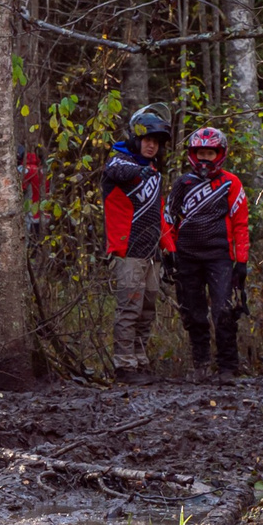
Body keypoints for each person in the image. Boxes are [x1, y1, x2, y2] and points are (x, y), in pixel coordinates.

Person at [161, 125, 250, 377]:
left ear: (219, 154)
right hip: (186, 257)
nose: (204, 159)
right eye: (200, 153)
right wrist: (169, 252)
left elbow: (241, 223)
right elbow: (167, 219)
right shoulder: (182, 183)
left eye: (210, 154)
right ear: (192, 154)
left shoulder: (231, 183)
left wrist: (241, 261)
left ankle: (228, 366)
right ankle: (201, 365)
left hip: (219, 257)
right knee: (193, 312)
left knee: (224, 310)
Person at [99, 104, 172, 381]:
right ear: (135, 138)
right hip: (127, 249)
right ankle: (124, 365)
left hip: (152, 251)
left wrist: (170, 248)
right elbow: (117, 169)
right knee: (129, 309)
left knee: (147, 309)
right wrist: (139, 170)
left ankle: (140, 360)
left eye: (156, 142)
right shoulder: (118, 162)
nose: (151, 146)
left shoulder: (153, 171)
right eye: (146, 139)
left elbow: (159, 213)